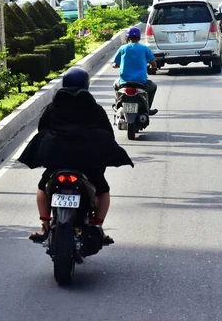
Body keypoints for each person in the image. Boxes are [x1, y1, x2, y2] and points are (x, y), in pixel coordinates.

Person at [19, 67, 134, 244]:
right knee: (102, 190)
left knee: (43, 187)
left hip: (57, 158)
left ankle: (45, 226)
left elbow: (42, 128)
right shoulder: (94, 108)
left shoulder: (53, 106)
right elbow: (107, 133)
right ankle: (97, 226)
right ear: (86, 85)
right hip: (87, 160)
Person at [112, 27, 159, 114]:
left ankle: (117, 104)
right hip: (141, 82)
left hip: (124, 82)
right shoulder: (145, 49)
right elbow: (153, 63)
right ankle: (147, 108)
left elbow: (115, 64)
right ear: (139, 38)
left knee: (115, 85)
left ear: (127, 38)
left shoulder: (123, 48)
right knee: (153, 87)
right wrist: (153, 67)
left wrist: (116, 66)